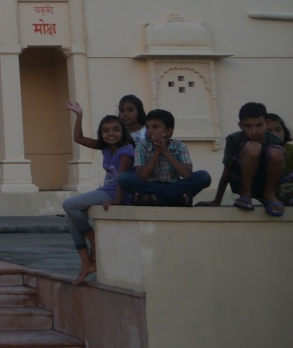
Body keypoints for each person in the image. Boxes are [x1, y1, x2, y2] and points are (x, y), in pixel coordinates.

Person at [61, 101, 135, 284]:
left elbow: (123, 179)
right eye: (106, 130)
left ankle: (93, 239)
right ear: (101, 134)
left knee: (69, 204)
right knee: (70, 218)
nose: (111, 133)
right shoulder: (104, 148)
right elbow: (79, 139)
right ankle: (86, 263)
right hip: (106, 190)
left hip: (118, 192)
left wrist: (116, 200)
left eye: (115, 129)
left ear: (123, 132)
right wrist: (79, 115)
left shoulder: (126, 149)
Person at [197, 102, 285, 216]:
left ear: (266, 123)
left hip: (265, 183)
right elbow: (227, 171)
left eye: (259, 125)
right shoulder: (234, 139)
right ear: (240, 125)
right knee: (253, 147)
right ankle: (246, 193)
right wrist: (217, 200)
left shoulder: (275, 141)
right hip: (240, 181)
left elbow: (279, 170)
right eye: (248, 126)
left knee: (277, 152)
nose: (254, 131)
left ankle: (269, 194)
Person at [117, 108, 211, 206]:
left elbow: (187, 174)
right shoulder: (142, 147)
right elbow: (141, 176)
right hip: (150, 186)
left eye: (155, 127)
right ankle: (175, 199)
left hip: (175, 185)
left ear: (169, 131)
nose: (150, 131)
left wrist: (166, 153)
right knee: (124, 178)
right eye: (148, 127)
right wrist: (157, 152)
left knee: (204, 176)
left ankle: (154, 199)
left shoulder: (180, 146)